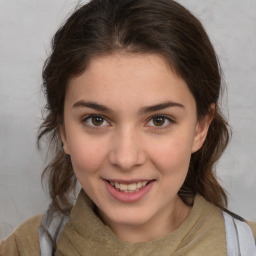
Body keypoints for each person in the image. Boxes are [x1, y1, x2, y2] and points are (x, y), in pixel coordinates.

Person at [1, 0, 255, 255]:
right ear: (64, 130)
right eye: (96, 120)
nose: (125, 158)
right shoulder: (23, 249)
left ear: (200, 127)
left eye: (159, 120)